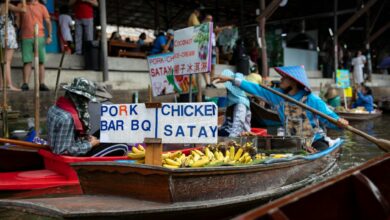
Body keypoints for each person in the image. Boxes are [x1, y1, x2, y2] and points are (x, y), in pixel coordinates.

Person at [214, 65, 349, 152]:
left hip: (314, 140)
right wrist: (230, 79)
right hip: (292, 141)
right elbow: (255, 88)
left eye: (284, 78)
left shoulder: (311, 99)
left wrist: (339, 122)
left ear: (294, 82)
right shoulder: (277, 96)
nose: (281, 79)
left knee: (318, 150)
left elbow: (329, 117)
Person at [47, 78, 128, 156]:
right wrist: (90, 144)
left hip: (70, 144)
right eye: (85, 99)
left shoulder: (54, 108)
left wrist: (85, 138)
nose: (87, 102)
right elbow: (62, 151)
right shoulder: (68, 118)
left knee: (109, 131)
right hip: (71, 157)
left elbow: (67, 137)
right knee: (122, 145)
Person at [16, 0, 51, 91]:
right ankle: (25, 83)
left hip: (39, 36)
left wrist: (49, 36)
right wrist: (16, 35)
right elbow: (18, 22)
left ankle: (42, 84)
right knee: (27, 61)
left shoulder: (42, 7)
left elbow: (48, 21)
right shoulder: (21, 5)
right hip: (25, 36)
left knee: (41, 61)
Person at [0, 0, 25, 91]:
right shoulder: (7, 5)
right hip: (8, 34)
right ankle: (9, 85)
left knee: (2, 61)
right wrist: (24, 1)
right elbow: (23, 10)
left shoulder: (1, 6)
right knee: (7, 61)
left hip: (1, 33)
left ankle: (1, 85)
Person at [219, 71, 251, 137]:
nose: (226, 90)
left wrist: (231, 140)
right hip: (230, 131)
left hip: (240, 136)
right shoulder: (232, 102)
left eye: (228, 89)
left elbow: (238, 123)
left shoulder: (241, 104)